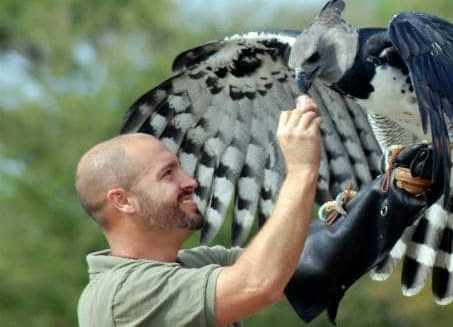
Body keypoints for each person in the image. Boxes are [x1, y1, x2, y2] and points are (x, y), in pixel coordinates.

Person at [76, 95, 323, 326]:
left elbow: (292, 263)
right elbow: (258, 282)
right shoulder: (122, 294)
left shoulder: (191, 263)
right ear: (122, 201)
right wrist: (302, 170)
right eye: (167, 174)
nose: (190, 181)